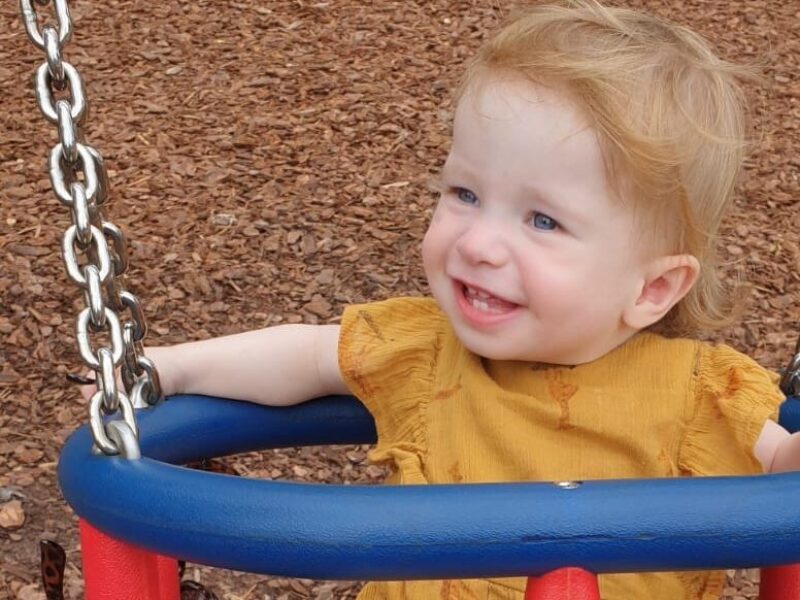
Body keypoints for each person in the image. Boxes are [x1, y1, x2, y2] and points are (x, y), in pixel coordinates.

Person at [83, 1, 800, 598]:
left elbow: (785, 472)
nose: (480, 243)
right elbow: (302, 354)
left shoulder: (698, 395)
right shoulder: (423, 351)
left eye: (542, 220)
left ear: (652, 288)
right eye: (464, 193)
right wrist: (160, 369)